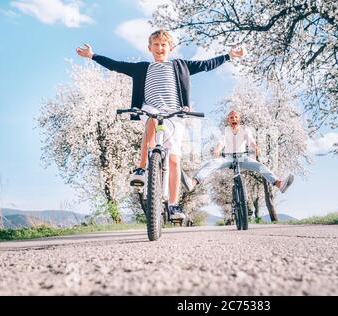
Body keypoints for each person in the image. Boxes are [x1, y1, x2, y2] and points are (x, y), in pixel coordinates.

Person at [76, 30, 245, 219]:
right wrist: (92, 56)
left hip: (174, 115)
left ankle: (173, 205)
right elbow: (116, 65)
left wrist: (229, 56)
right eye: (155, 45)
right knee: (152, 119)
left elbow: (206, 65)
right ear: (149, 48)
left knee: (174, 159)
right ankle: (140, 169)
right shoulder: (142, 68)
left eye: (163, 44)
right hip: (149, 109)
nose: (159, 48)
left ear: (170, 47)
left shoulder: (181, 66)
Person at [189, 110, 294, 193]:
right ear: (228, 120)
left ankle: (279, 184)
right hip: (228, 158)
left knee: (259, 166)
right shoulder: (225, 131)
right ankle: (193, 182)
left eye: (236, 117)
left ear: (239, 119)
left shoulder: (245, 130)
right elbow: (222, 142)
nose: (234, 119)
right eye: (231, 117)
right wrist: (217, 149)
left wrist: (256, 148)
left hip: (242, 158)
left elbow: (250, 141)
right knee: (212, 163)